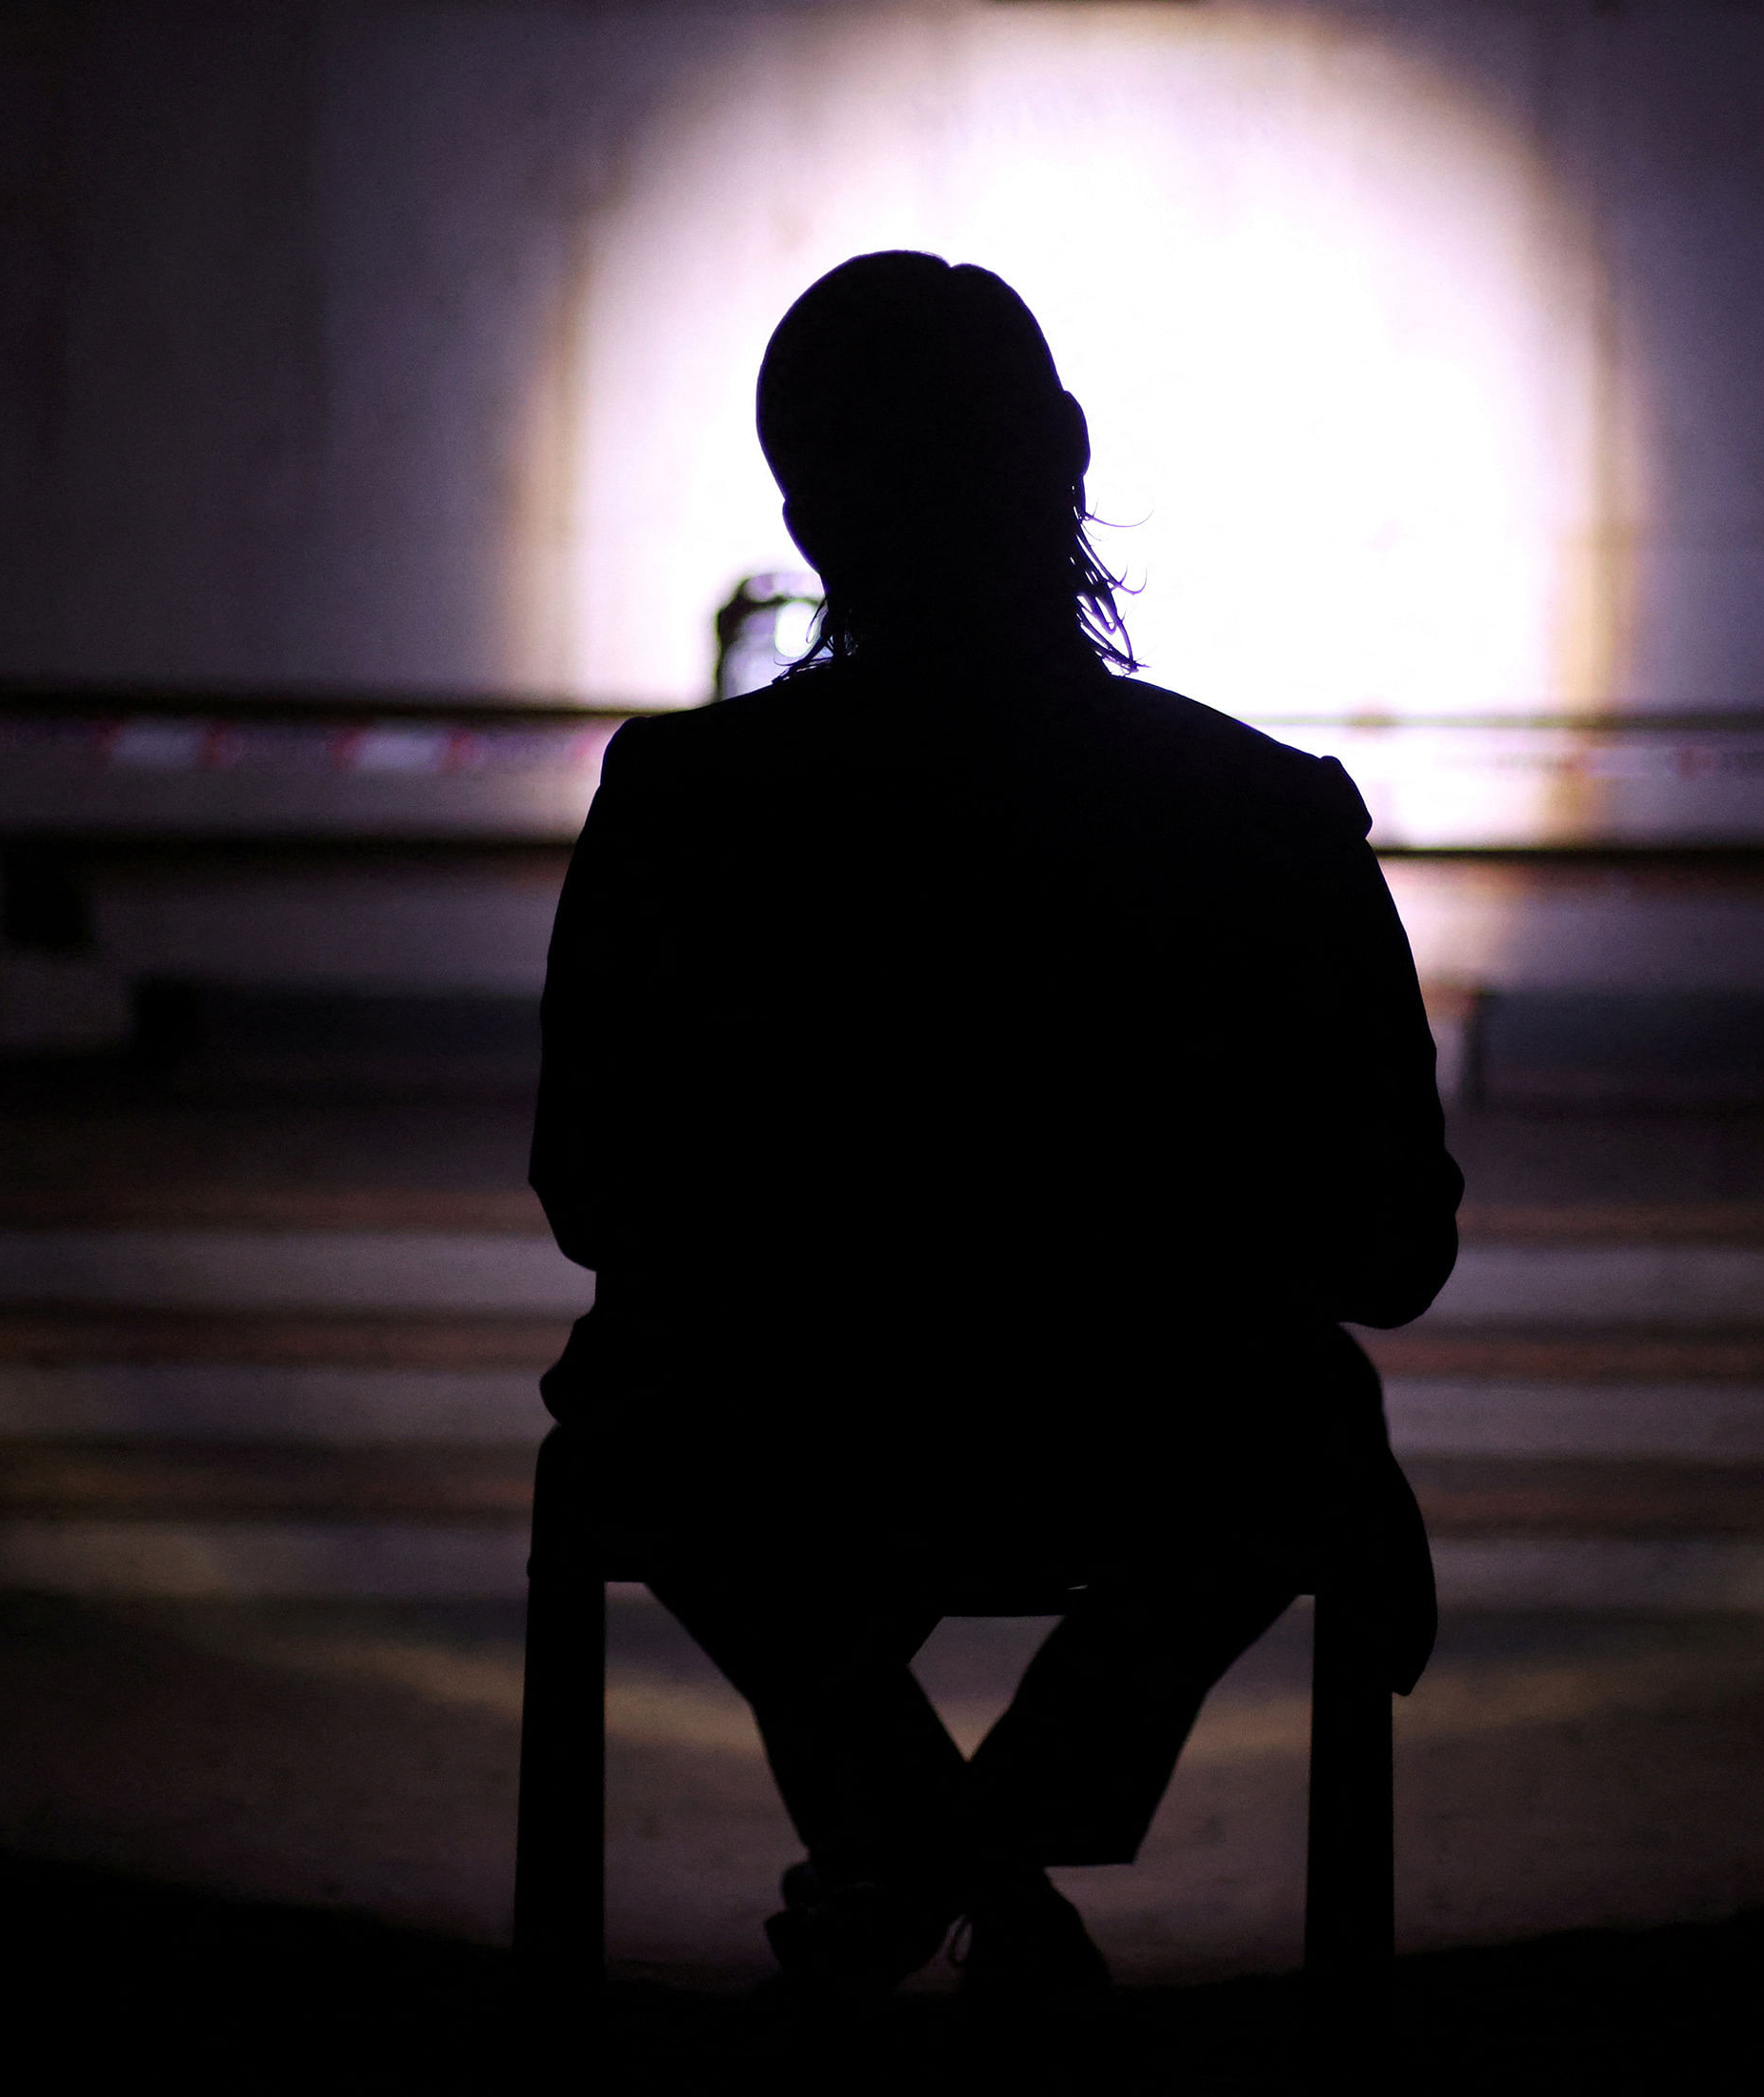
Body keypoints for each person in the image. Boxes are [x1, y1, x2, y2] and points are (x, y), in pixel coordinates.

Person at [531, 251, 1462, 2007]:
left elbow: (595, 1198)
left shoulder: (682, 810)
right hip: (1156, 1439)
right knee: (1300, 1428)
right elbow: (1394, 1247)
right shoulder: (1265, 813)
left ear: (807, 512)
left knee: (658, 1420)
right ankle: (985, 1859)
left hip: (789, 1434)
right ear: (1070, 456)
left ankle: (905, 1867)